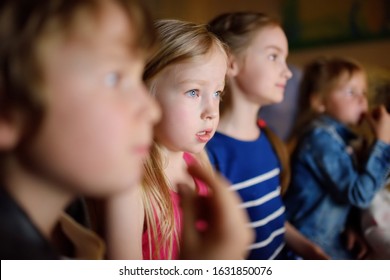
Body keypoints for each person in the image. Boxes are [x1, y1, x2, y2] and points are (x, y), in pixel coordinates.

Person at [0, 0, 251, 260]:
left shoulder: (71, 243)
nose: (151, 110)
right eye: (113, 78)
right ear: (8, 107)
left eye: (218, 93)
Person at [101, 19, 253, 260]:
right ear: (144, 93)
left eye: (217, 94)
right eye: (193, 92)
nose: (212, 111)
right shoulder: (129, 186)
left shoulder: (198, 161)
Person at [206, 12, 328, 260]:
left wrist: (311, 250)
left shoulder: (267, 137)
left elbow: (272, 215)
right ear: (231, 63)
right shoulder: (208, 152)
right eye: (274, 56)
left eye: (285, 59)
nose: (288, 72)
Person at [283, 56, 390, 259]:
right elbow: (359, 194)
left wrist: (348, 226)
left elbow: (359, 188)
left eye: (364, 92)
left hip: (331, 236)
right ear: (320, 102)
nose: (362, 100)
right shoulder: (320, 139)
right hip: (307, 244)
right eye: (351, 92)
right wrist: (383, 145)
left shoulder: (342, 139)